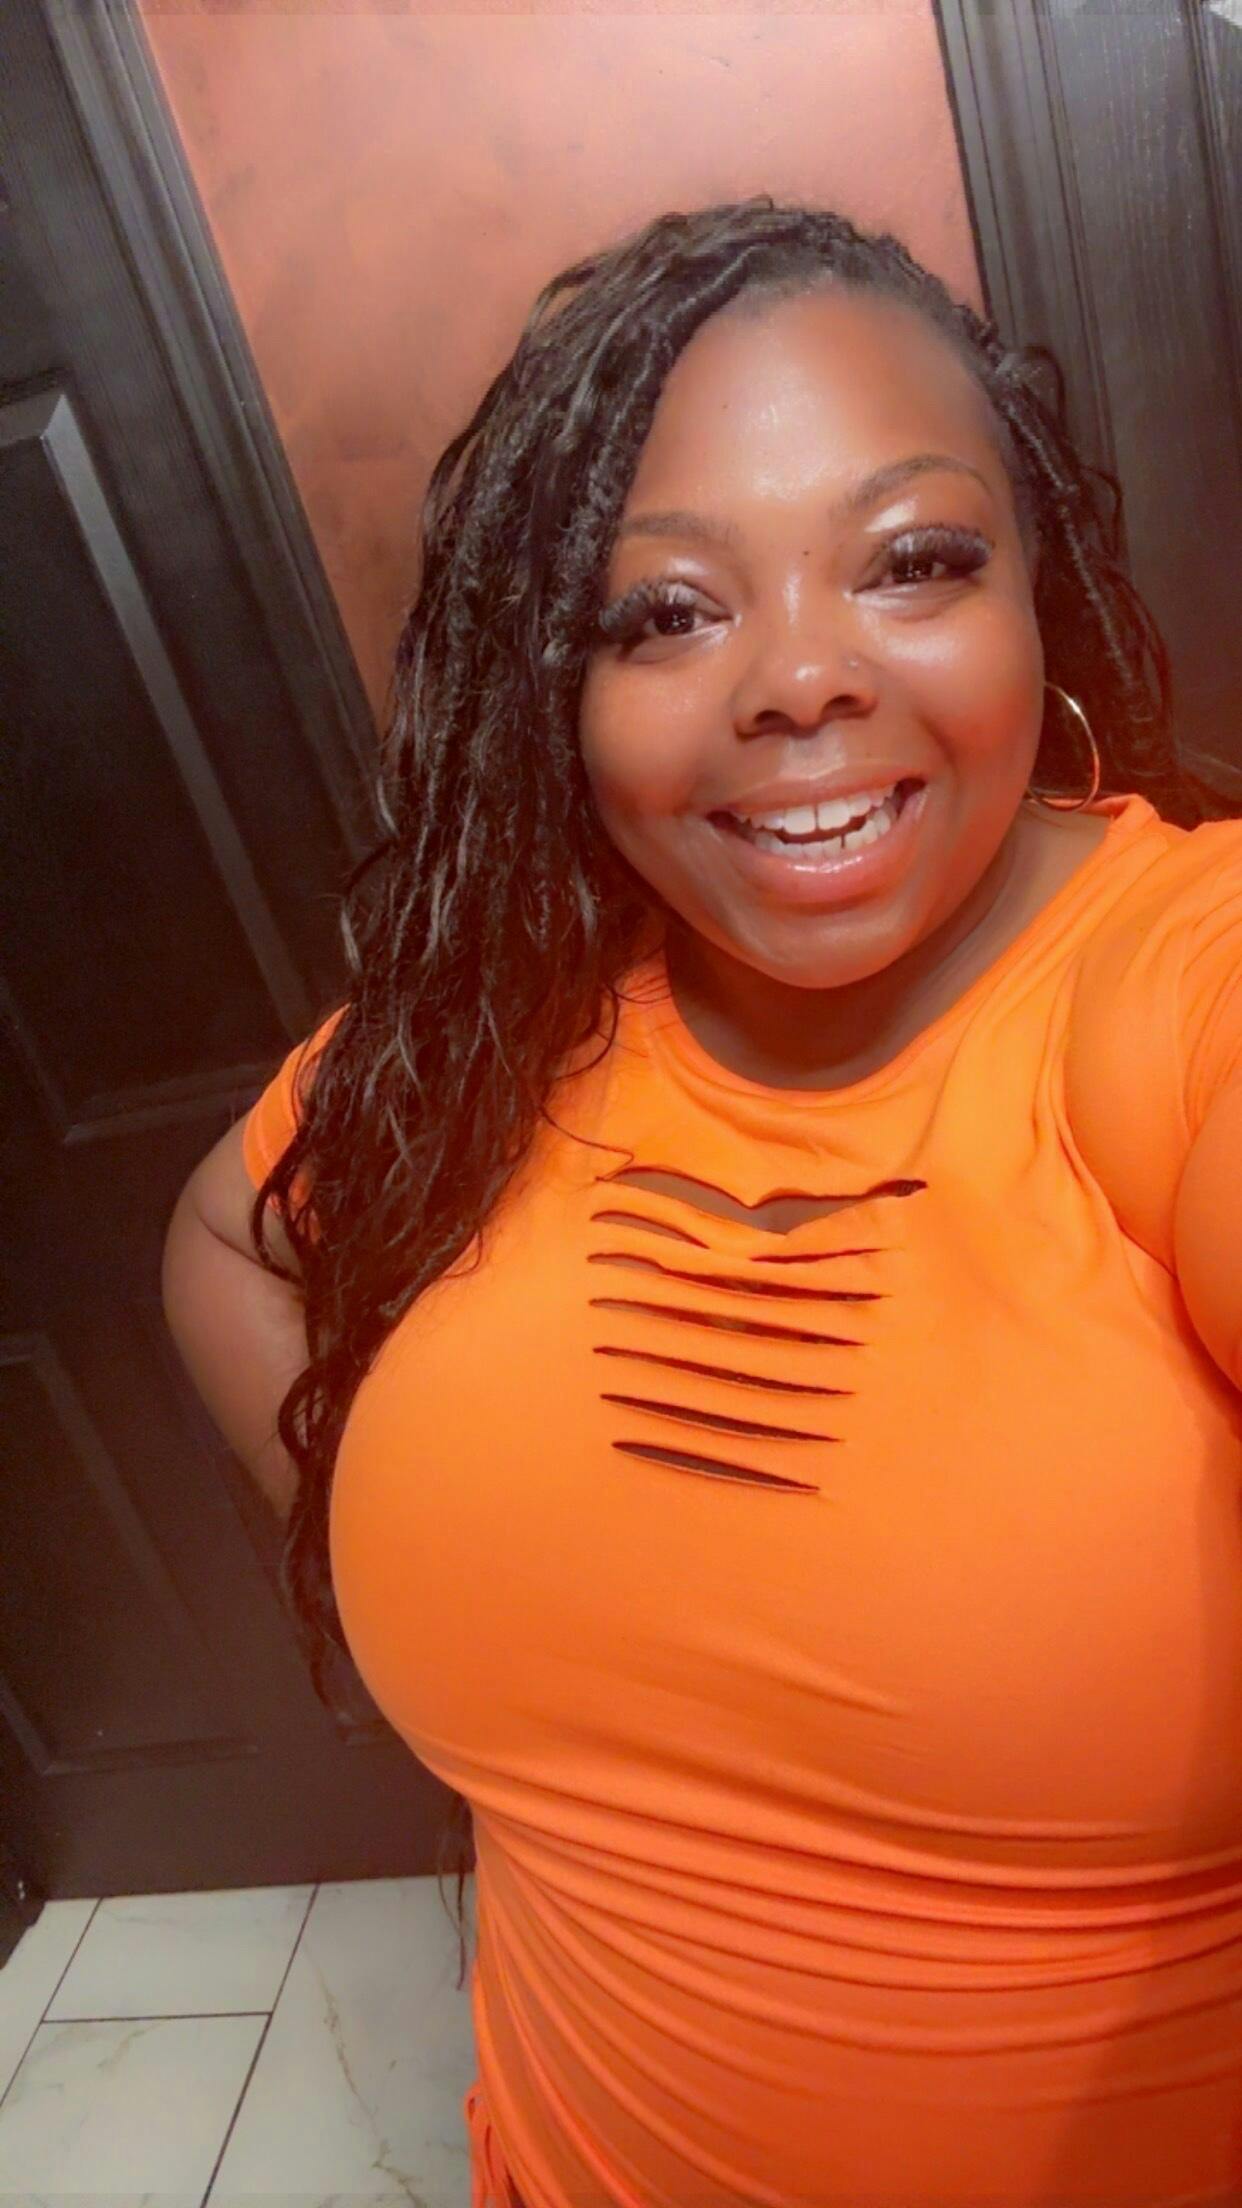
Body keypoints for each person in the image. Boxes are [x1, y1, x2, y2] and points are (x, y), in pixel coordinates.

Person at [161, 198, 1242, 2208]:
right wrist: (414, 1566)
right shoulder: (507, 1022)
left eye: (910, 561)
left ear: (1035, 590)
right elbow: (225, 1241)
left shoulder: (1182, 990)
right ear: (555, 694)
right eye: (663, 613)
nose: (799, 679)